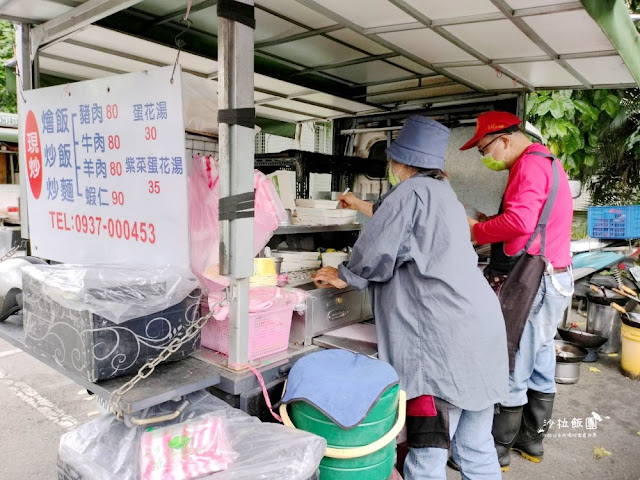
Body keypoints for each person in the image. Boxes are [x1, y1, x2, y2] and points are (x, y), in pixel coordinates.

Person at [313, 116, 509, 480]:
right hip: (482, 335)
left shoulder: (409, 193)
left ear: (401, 161)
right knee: (474, 449)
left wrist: (344, 274)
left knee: (427, 457)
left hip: (442, 348)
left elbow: (374, 252)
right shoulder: (444, 194)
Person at [460, 111, 573, 471]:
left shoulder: (528, 166)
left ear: (504, 140)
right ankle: (532, 441)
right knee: (540, 360)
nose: (485, 158)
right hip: (553, 274)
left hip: (534, 278)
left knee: (514, 360)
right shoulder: (548, 161)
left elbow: (521, 222)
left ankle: (498, 449)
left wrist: (477, 229)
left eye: (483, 150)